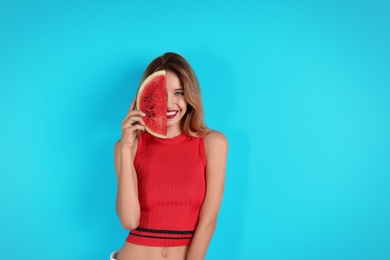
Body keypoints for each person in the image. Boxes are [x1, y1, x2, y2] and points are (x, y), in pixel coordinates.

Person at [111, 52, 228, 260]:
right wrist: (126, 149)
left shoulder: (213, 143)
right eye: (160, 94)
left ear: (190, 95)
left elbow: (208, 223)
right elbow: (129, 221)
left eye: (179, 93)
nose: (170, 104)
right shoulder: (127, 147)